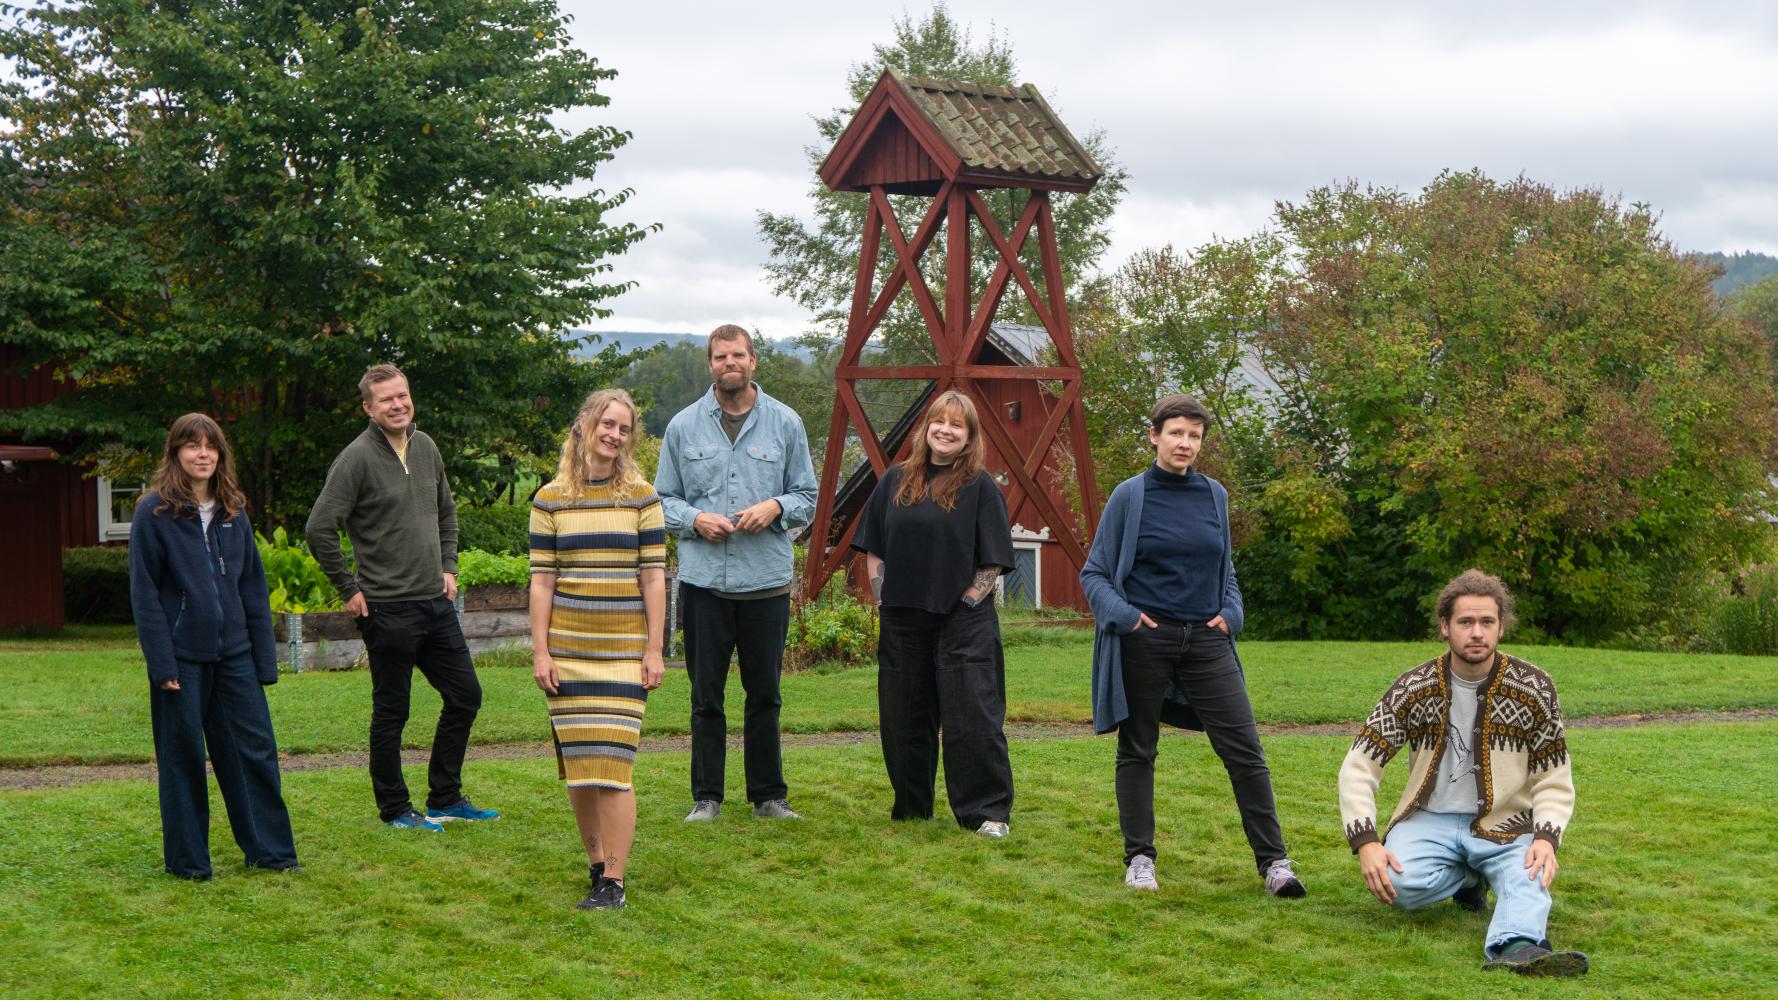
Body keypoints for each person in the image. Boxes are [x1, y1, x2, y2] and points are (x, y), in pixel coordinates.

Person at [1080, 394, 1306, 897]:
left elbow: (1224, 566)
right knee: (1138, 749)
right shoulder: (1129, 496)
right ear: (1154, 435)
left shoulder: (1214, 496)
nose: (1185, 443)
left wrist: (1231, 615)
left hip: (1207, 641)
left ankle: (1275, 864)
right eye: (1176, 433)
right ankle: (1139, 858)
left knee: (1245, 750)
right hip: (1146, 640)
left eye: (1195, 436)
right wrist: (1126, 619)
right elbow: (1094, 572)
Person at [1338, 570, 1586, 976]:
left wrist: (1545, 837)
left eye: (1487, 622)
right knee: (1394, 884)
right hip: (1428, 819)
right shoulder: (1413, 688)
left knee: (1529, 874)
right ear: (1444, 627)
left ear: (1501, 626)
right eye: (1465, 622)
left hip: (1506, 823)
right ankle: (1471, 878)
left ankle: (1519, 946)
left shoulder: (1534, 688)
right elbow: (1359, 764)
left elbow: (1553, 775)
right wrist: (1365, 841)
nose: (1476, 632)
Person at [306, 363, 498, 831]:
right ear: (369, 408)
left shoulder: (426, 446)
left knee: (465, 695)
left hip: (434, 603)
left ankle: (445, 797)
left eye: (402, 396)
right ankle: (394, 808)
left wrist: (449, 566)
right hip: (386, 609)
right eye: (386, 399)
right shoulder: (355, 459)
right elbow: (319, 529)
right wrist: (348, 589)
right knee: (393, 711)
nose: (398, 405)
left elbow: (446, 511)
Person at [654, 324, 817, 823]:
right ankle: (707, 797)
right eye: (721, 356)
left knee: (764, 694)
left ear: (753, 362)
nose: (731, 363)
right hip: (704, 584)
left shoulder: (786, 423)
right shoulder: (683, 426)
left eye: (739, 355)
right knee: (706, 697)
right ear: (710, 364)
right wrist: (695, 519)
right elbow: (661, 501)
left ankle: (768, 796)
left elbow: (807, 498)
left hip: (764, 583)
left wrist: (774, 506)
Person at [129, 413, 299, 879]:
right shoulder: (153, 512)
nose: (202, 454)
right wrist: (162, 663)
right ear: (176, 453)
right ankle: (189, 864)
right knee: (182, 758)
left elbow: (252, 587)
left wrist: (264, 660)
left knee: (254, 753)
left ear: (220, 455)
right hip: (181, 658)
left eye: (211, 446)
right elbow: (144, 594)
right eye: (192, 445)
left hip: (236, 658)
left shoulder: (233, 510)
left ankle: (271, 854)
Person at [851, 390, 1017, 836]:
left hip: (964, 620)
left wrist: (967, 601)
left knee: (973, 718)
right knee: (904, 718)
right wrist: (883, 597)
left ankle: (985, 813)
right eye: (938, 422)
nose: (945, 430)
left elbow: (993, 561)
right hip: (904, 619)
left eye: (956, 425)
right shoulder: (895, 481)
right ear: (926, 428)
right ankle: (912, 806)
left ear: (969, 437)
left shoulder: (981, 488)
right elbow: (874, 547)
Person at [529, 389, 666, 910]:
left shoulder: (642, 497)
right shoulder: (550, 499)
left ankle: (615, 880)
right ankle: (594, 864)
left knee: (614, 766)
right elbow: (542, 582)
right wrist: (541, 653)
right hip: (568, 653)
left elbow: (654, 577)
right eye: (607, 423)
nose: (614, 434)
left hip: (624, 654)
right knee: (582, 767)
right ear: (585, 424)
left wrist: (655, 650)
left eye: (624, 428)